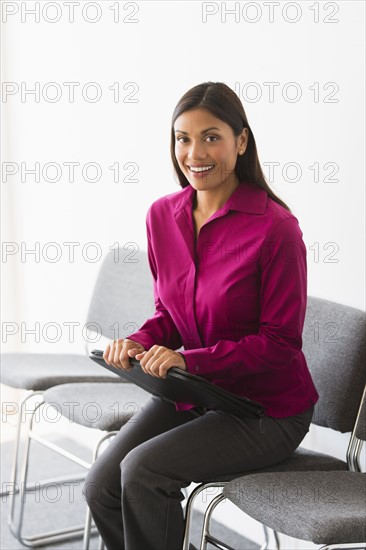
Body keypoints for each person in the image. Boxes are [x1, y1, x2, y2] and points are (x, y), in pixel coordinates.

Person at [83, 81, 319, 550]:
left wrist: (191, 361)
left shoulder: (277, 230)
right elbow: (168, 314)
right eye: (182, 138)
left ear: (241, 142)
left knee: (143, 473)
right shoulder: (161, 216)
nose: (194, 152)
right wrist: (138, 342)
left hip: (266, 410)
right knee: (102, 487)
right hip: (193, 392)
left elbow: (279, 345)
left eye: (211, 136)